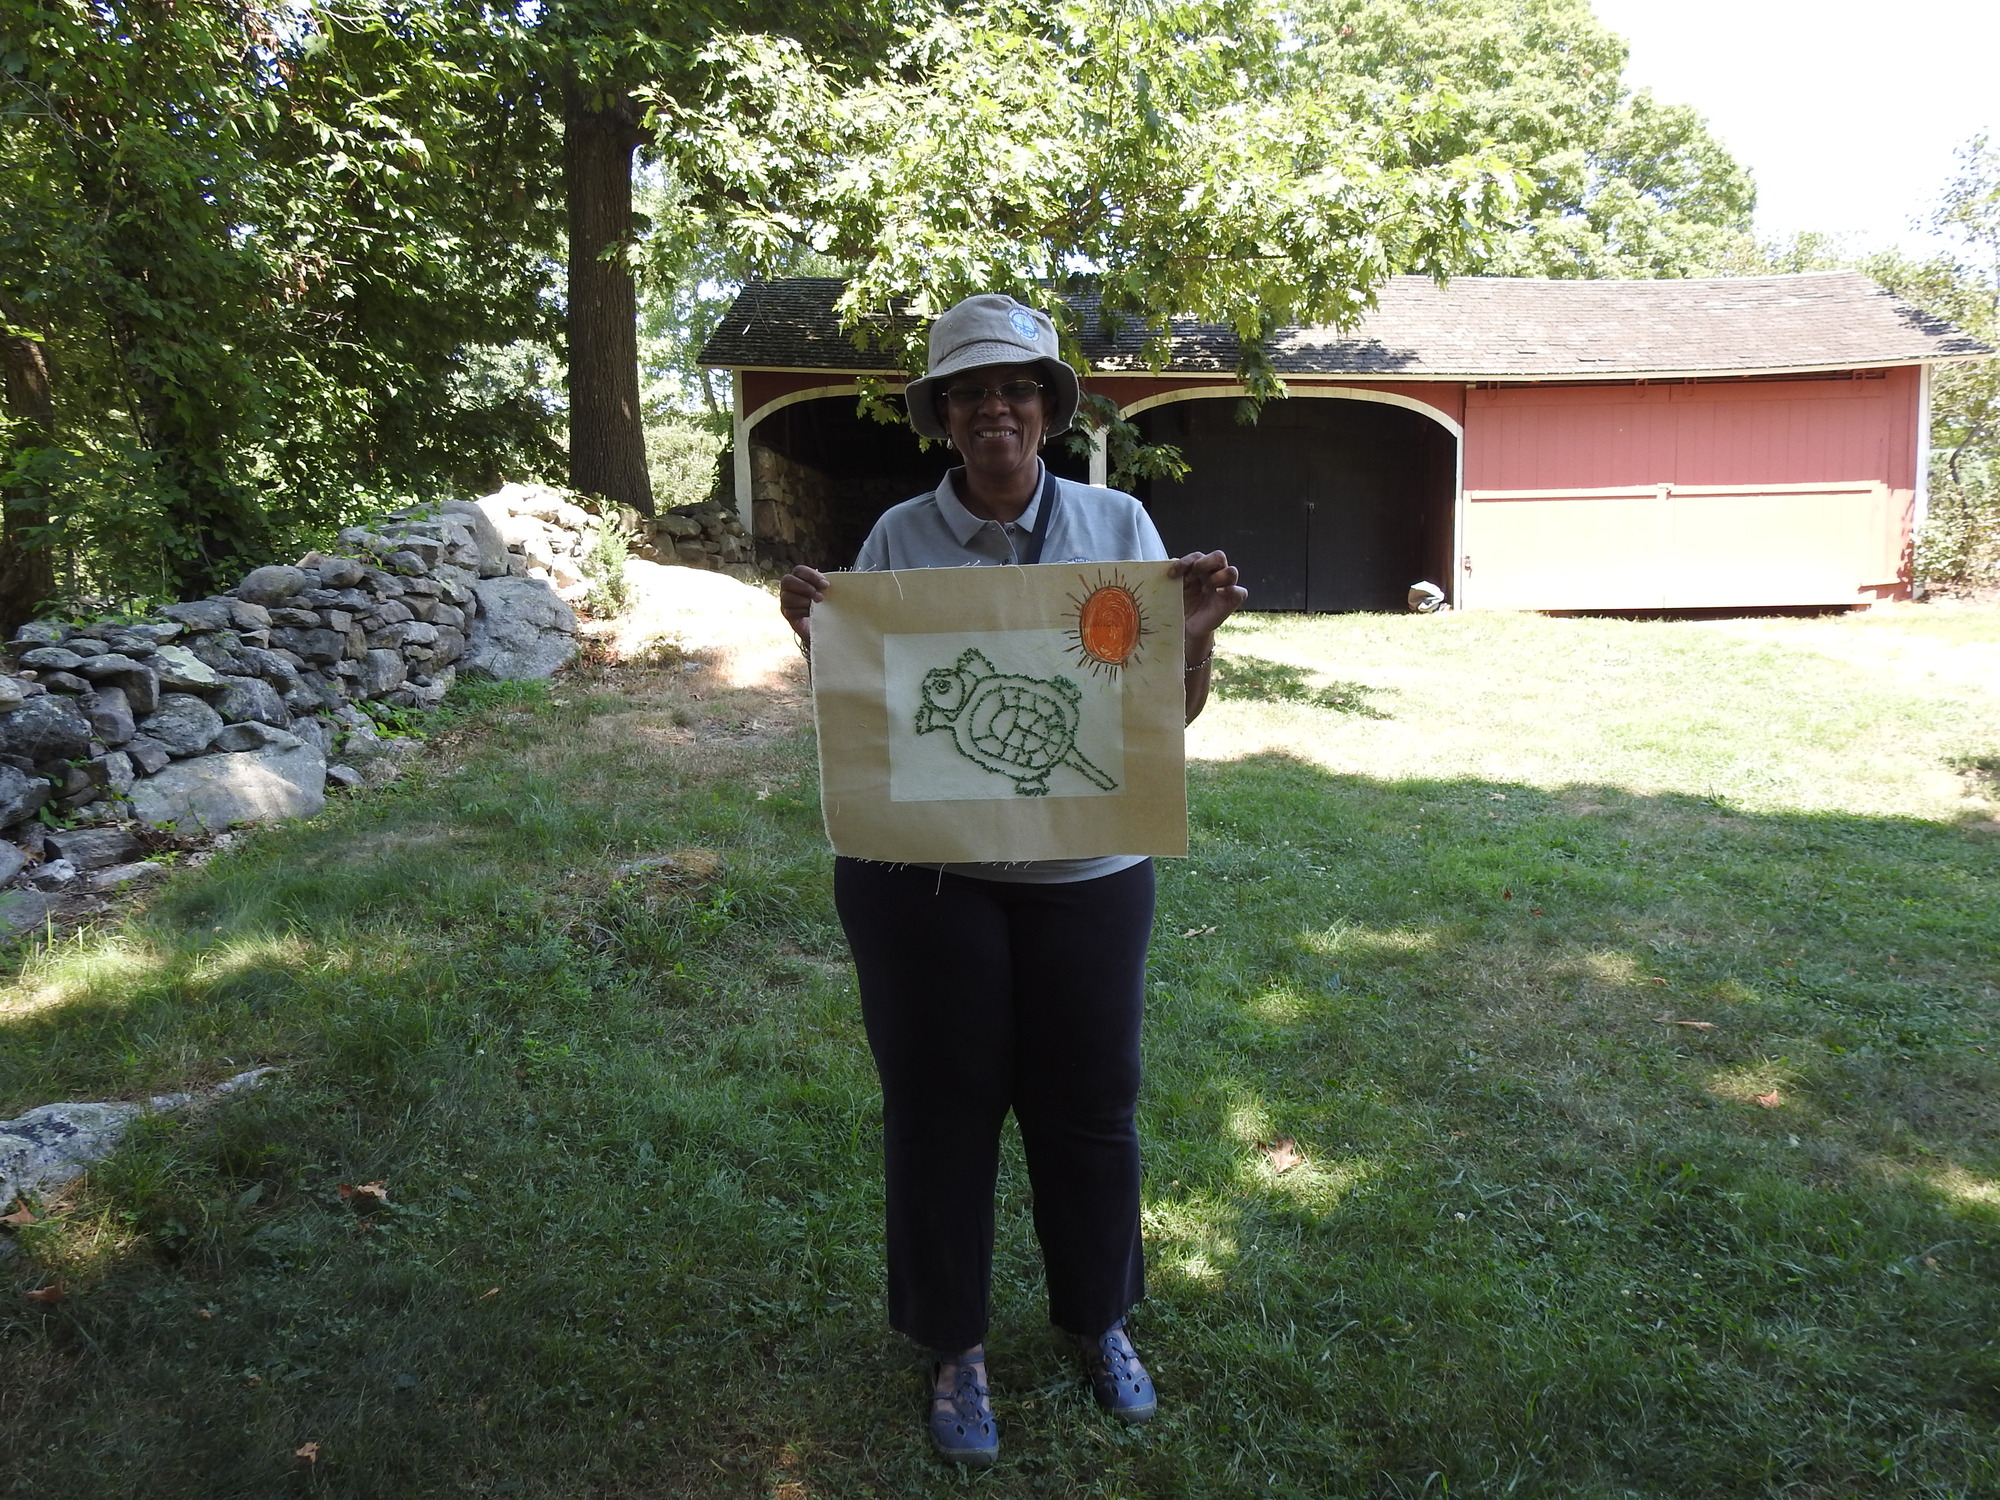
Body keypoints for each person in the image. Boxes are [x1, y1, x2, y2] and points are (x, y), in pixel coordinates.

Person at [778, 293, 1245, 1466]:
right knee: (940, 1108)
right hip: (927, 879)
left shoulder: (1117, 523)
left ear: (1046, 408)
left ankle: (1099, 1323)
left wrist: (1191, 640)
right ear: (942, 416)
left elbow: (1162, 718)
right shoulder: (895, 539)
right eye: (971, 391)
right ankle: (955, 1348)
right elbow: (875, 712)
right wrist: (820, 640)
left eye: (1018, 388)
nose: (996, 408)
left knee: (1089, 1104)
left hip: (1088, 869)